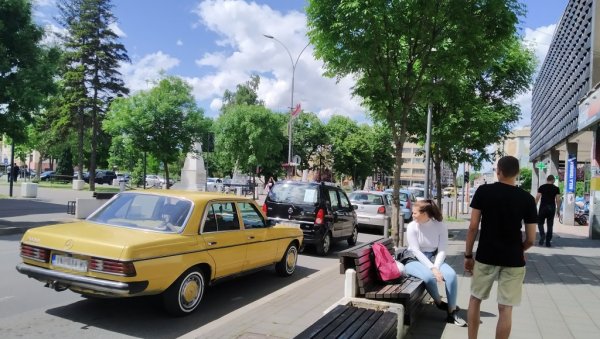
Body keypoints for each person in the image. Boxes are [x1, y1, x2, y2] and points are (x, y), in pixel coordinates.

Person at [464, 155, 537, 339]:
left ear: (498, 171)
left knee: (475, 299)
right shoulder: (527, 199)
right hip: (513, 259)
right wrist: (519, 249)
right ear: (518, 173)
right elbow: (530, 239)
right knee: (506, 308)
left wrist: (467, 255)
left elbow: (473, 226)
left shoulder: (484, 191)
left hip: (486, 255)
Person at [404, 199, 467, 327]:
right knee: (428, 277)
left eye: (415, 213)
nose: (412, 215)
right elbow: (416, 250)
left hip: (434, 257)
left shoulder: (440, 225)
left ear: (425, 213)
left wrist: (436, 267)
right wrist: (433, 269)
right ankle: (439, 303)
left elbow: (442, 249)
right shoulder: (412, 226)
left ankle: (451, 312)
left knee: (451, 275)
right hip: (413, 258)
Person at [535, 174, 561, 247]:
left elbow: (537, 197)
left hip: (543, 208)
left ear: (547, 179)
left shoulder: (542, 187)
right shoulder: (556, 188)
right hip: (551, 208)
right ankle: (548, 241)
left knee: (540, 223)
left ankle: (542, 235)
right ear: (553, 180)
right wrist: (558, 209)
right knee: (550, 225)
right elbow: (558, 200)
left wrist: (534, 206)